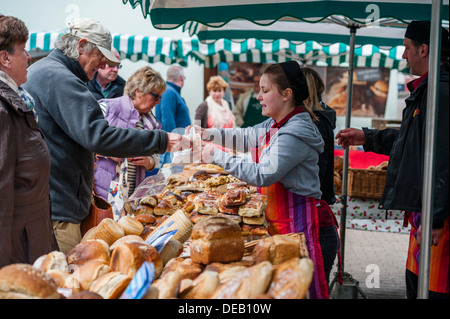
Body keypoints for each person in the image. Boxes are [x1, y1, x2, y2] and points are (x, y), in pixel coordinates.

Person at [23, 18, 187, 254]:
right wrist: (161, 141)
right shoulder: (60, 78)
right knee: (66, 283)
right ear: (81, 46)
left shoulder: (47, 72)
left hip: (52, 201)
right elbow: (100, 136)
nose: (101, 65)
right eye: (100, 57)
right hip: (58, 208)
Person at [189, 61, 329, 299]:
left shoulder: (295, 132)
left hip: (299, 228)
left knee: (300, 291)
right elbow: (246, 136)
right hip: (282, 226)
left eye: (265, 91)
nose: (259, 96)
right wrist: (207, 134)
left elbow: (262, 174)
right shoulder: (276, 123)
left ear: (287, 94)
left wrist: (214, 154)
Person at [335, 21, 449, 299]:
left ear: (424, 49)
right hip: (425, 210)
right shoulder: (427, 90)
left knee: (432, 290)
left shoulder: (442, 94)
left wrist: (434, 220)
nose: (402, 55)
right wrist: (368, 137)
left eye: (407, 48)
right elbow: (412, 141)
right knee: (415, 282)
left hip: (439, 217)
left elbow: (445, 161)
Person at [0, 15, 57, 267]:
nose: (29, 57)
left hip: (30, 242)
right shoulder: (3, 109)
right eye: (23, 50)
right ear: (5, 58)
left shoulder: (19, 101)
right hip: (17, 254)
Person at [94, 66, 165, 201]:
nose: (158, 102)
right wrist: (110, 151)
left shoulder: (150, 122)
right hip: (103, 191)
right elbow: (83, 142)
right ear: (138, 92)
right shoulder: (106, 108)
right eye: (155, 96)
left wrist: (148, 162)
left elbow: (156, 159)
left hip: (132, 194)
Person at [302, 66, 341, 289]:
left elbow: (315, 168)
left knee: (314, 285)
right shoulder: (323, 118)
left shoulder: (312, 122)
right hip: (321, 201)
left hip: (314, 208)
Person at [154, 64, 191, 167]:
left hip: (175, 148)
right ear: (182, 78)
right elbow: (167, 120)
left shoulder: (169, 91)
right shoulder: (169, 92)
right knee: (172, 179)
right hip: (172, 149)